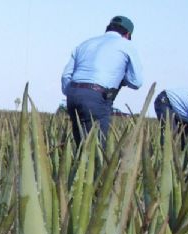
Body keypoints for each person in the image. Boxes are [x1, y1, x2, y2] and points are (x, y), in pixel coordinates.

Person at [61, 16, 143, 145]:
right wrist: (120, 76)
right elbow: (136, 81)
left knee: (80, 147)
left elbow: (66, 76)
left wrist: (74, 93)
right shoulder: (126, 45)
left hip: (73, 94)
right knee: (96, 150)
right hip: (97, 97)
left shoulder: (85, 43)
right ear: (127, 34)